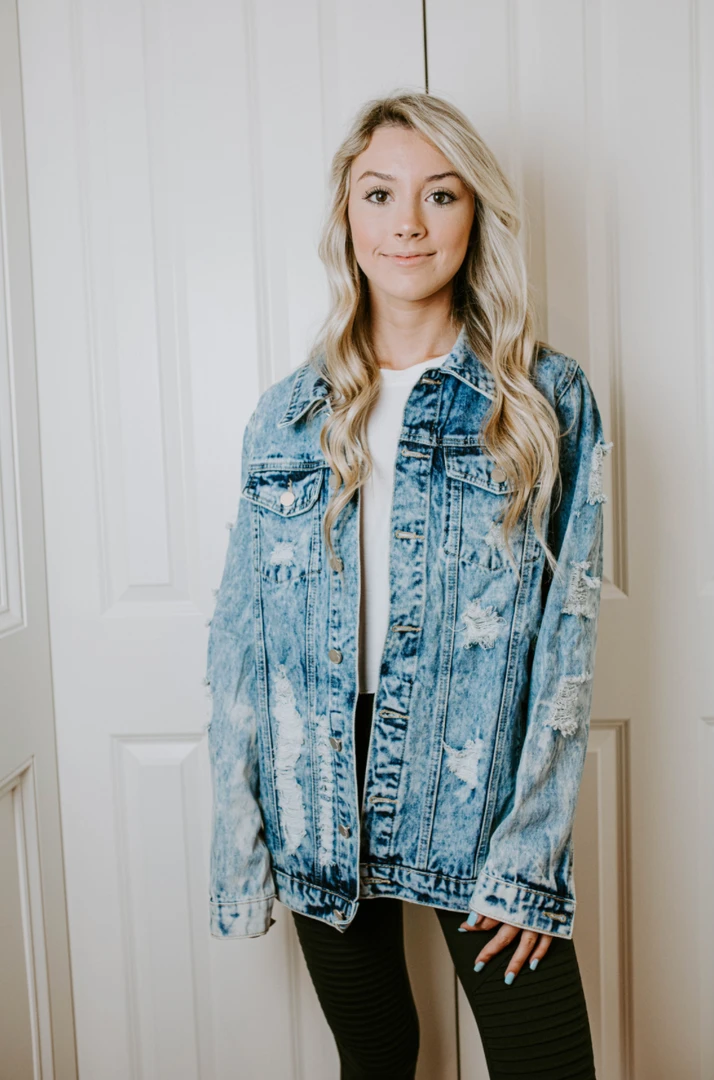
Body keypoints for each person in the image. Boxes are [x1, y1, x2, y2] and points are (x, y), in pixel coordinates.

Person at [206, 89, 610, 1079]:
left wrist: (532, 848)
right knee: (378, 1053)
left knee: (547, 1064)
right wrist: (238, 837)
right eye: (380, 194)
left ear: (475, 216)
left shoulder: (545, 398)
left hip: (475, 789)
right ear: (347, 216)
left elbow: (568, 634)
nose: (409, 224)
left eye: (441, 194)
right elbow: (241, 641)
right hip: (315, 790)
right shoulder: (286, 414)